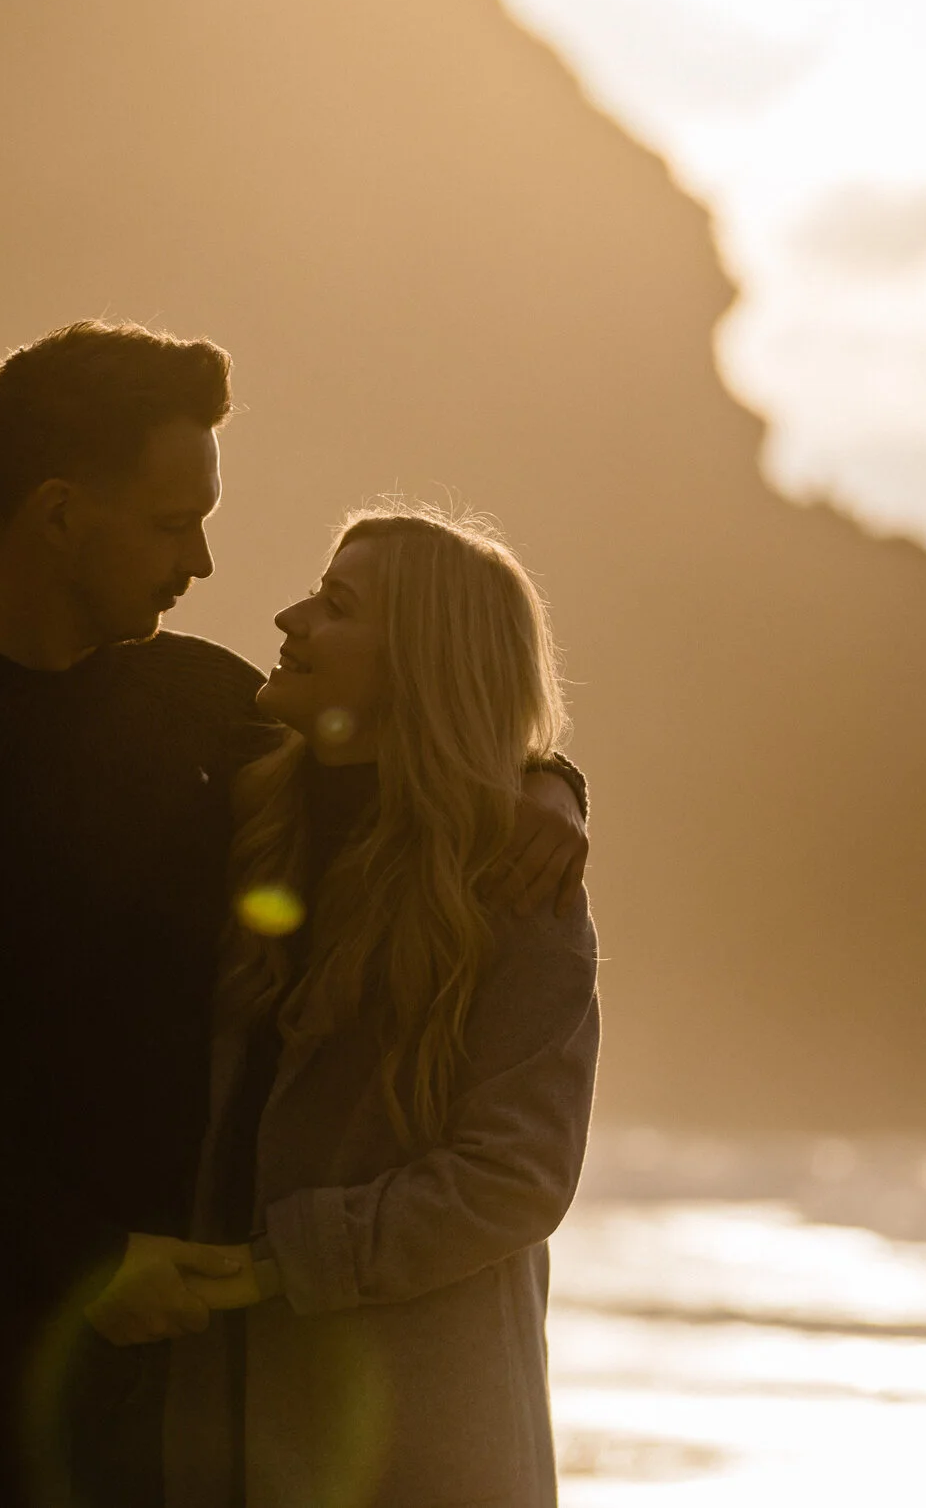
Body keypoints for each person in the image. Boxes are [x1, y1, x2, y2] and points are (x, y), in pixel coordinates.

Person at [0, 324, 588, 1508]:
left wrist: (549, 790)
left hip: (172, 1389)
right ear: (60, 514)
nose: (206, 561)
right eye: (173, 523)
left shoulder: (209, 709)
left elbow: (430, 740)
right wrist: (87, 1263)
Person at [105, 506, 599, 1508]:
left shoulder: (513, 883)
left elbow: (516, 1175)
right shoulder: (246, 816)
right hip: (226, 1409)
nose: (287, 617)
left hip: (423, 1434)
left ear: (423, 661)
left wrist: (278, 1263)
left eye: (335, 605)